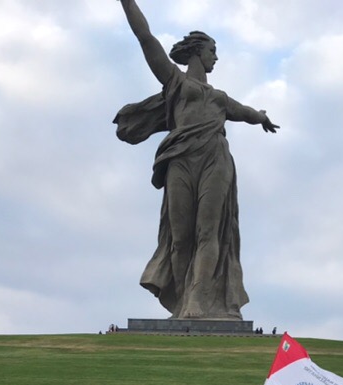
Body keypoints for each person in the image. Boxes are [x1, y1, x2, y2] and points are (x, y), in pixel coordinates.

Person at [115, 0, 279, 320]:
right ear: (197, 52)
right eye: (212, 51)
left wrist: (261, 117)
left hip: (215, 158)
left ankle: (198, 300)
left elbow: (245, 112)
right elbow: (146, 38)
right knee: (181, 238)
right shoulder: (175, 81)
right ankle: (181, 303)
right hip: (180, 159)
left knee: (209, 231)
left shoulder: (220, 98)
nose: (216, 57)